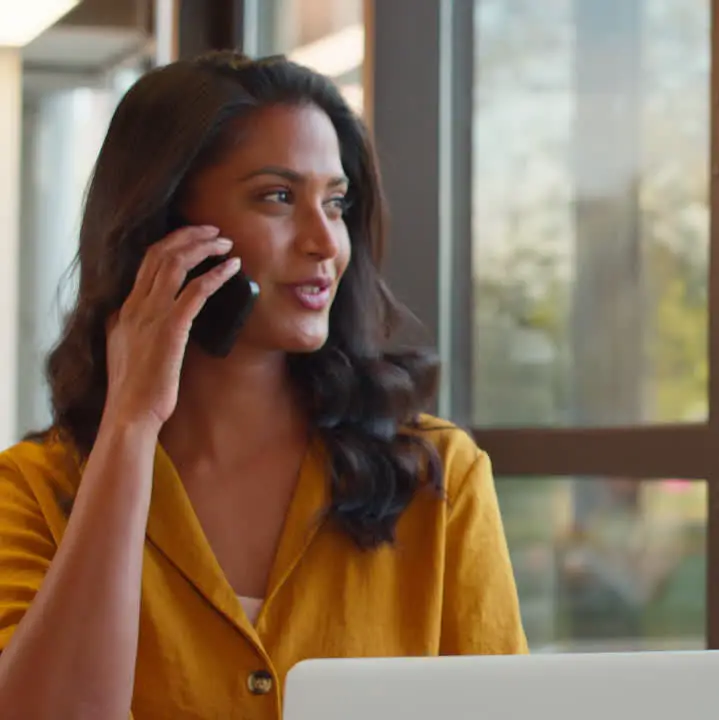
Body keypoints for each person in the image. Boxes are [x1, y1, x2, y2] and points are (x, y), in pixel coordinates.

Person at [0, 51, 527, 719]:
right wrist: (130, 428)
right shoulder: (32, 490)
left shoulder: (437, 477)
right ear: (165, 228)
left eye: (335, 203)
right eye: (277, 197)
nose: (324, 242)